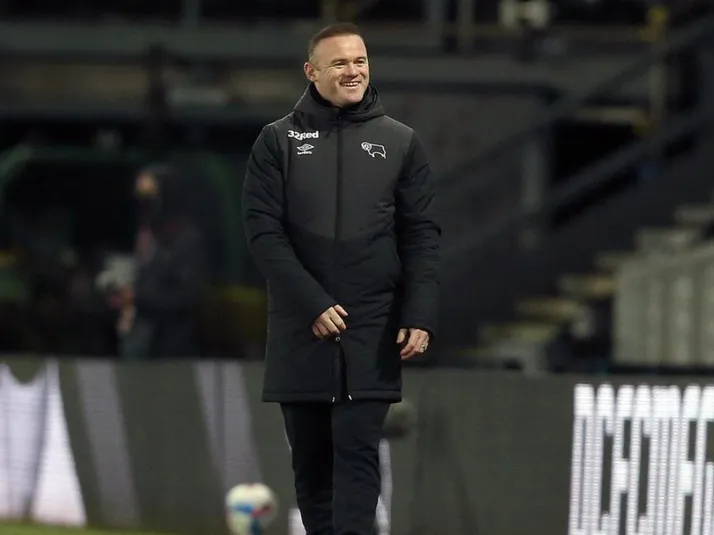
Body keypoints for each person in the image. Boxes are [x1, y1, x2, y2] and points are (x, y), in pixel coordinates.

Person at [241, 22, 441, 535]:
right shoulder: (276, 141)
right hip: (300, 327)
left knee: (357, 454)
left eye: (360, 61)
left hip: (372, 327)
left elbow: (422, 235)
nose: (353, 72)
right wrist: (311, 303)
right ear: (311, 72)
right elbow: (263, 234)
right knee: (312, 468)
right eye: (340, 63)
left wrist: (419, 313)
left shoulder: (401, 142)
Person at [112, 164, 206, 359]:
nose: (143, 204)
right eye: (139, 197)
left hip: (169, 345)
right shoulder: (145, 234)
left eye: (149, 197)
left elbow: (188, 295)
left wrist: (139, 297)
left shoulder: (185, 238)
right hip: (139, 341)